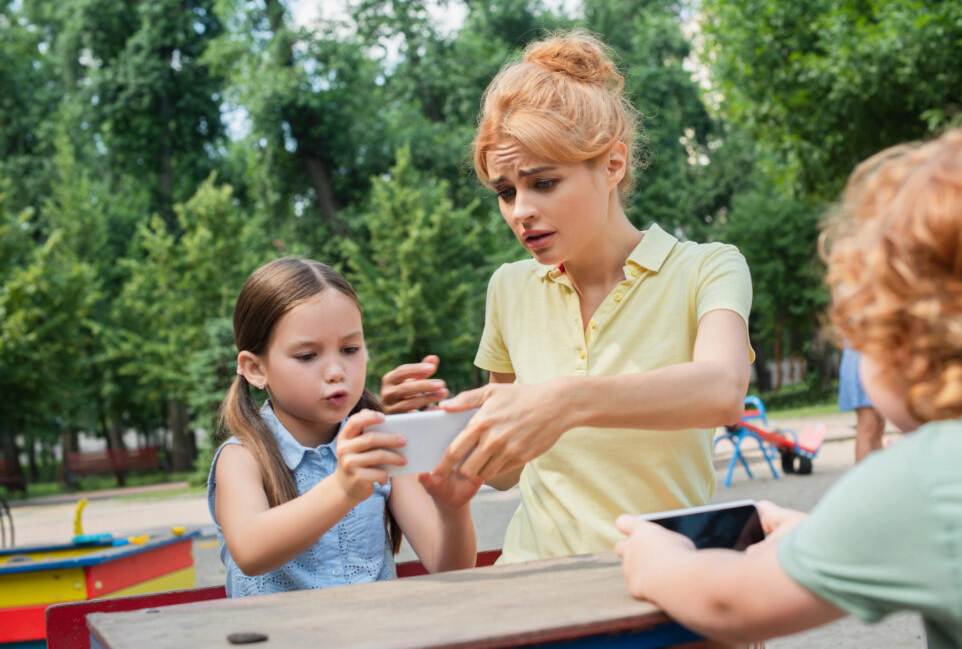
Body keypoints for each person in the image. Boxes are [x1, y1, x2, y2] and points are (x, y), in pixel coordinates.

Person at [615, 122, 962, 647]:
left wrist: (661, 562)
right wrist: (820, 540)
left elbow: (731, 601)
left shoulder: (931, 477)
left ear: (908, 337)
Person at [381, 30, 754, 563]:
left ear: (612, 165)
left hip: (665, 577)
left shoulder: (707, 267)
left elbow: (721, 390)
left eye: (543, 183)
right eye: (505, 192)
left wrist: (564, 401)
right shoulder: (509, 287)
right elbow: (508, 471)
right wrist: (438, 427)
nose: (520, 211)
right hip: (533, 583)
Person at [207, 257, 481, 597]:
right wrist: (343, 489)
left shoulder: (379, 444)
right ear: (255, 369)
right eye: (307, 355)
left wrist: (453, 508)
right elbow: (250, 551)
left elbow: (449, 567)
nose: (336, 371)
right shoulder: (241, 456)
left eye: (350, 349)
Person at [838, 346, 887, 461]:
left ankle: (877, 475)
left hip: (875, 359)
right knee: (868, 425)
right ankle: (865, 476)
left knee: (879, 426)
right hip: (861, 360)